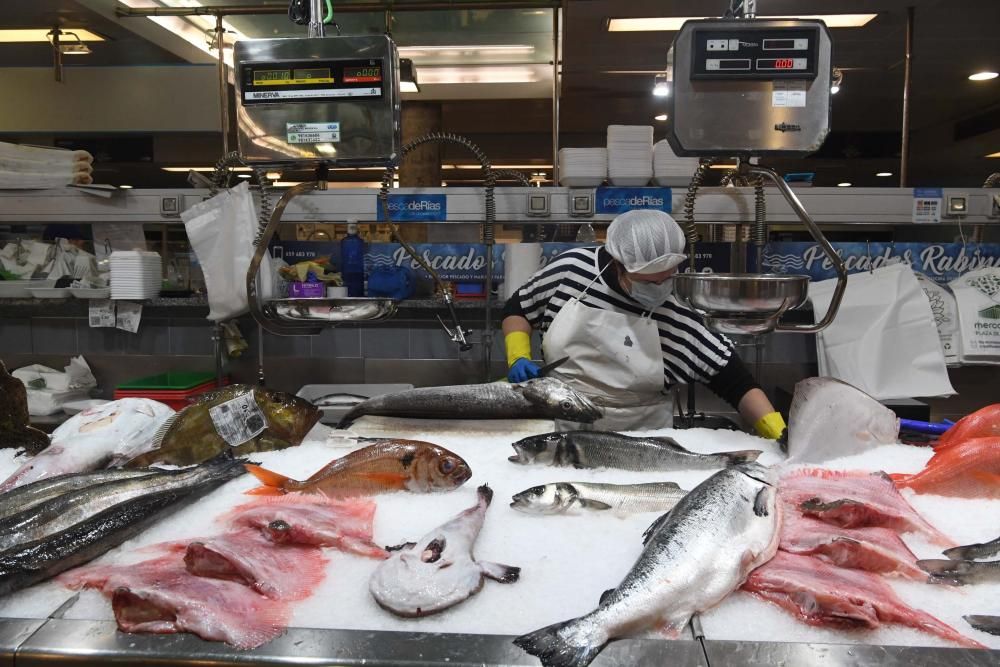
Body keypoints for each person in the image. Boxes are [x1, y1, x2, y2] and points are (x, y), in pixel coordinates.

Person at [501, 208, 786, 438]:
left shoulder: (679, 316)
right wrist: (518, 356)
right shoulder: (573, 269)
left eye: (667, 278)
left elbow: (734, 380)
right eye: (648, 281)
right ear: (617, 264)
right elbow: (519, 308)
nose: (660, 288)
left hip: (641, 442)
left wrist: (777, 434)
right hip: (557, 429)